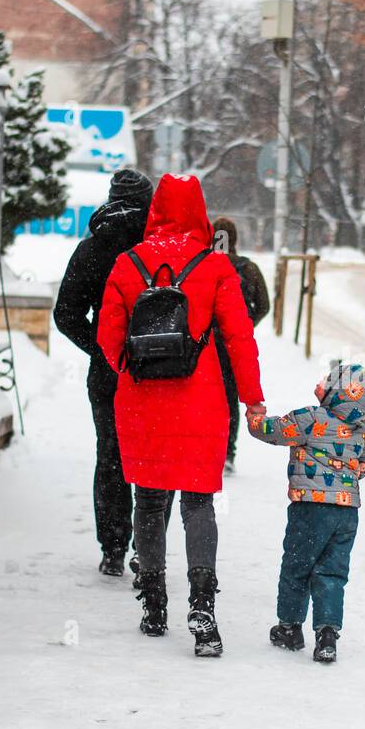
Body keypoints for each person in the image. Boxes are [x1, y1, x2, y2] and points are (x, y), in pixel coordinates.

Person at [96, 174, 265, 658]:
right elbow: (239, 337)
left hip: (142, 403)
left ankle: (152, 602)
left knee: (148, 503)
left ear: (156, 212)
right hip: (202, 403)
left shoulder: (127, 264)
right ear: (199, 212)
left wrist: (135, 369)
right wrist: (252, 397)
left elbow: (108, 337)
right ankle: (203, 608)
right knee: (197, 505)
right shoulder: (215, 267)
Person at [53, 169, 153, 578]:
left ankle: (113, 547)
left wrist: (103, 348)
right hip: (158, 370)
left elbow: (65, 313)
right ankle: (148, 548)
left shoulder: (93, 247)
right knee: (151, 457)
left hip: (109, 373)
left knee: (110, 455)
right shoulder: (160, 247)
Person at [247, 363, 365, 663]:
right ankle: (327, 636)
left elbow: (275, 430)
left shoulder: (309, 418)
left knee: (298, 565)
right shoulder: (361, 433)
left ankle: (290, 627)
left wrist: (255, 419)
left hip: (310, 509)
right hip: (347, 512)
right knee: (332, 572)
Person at [210, 217, 270, 475]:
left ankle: (208, 448)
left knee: (207, 397)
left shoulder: (204, 265)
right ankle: (228, 452)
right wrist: (244, 325)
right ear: (235, 240)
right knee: (231, 398)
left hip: (207, 344)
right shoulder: (249, 268)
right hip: (234, 344)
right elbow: (264, 305)